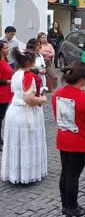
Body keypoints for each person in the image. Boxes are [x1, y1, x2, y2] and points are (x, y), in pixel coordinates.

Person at [52, 61, 85, 217]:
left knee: (65, 174)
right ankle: (72, 207)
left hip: (64, 138)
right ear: (82, 79)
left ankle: (65, 205)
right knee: (73, 176)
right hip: (80, 142)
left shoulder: (57, 93)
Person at [1, 48, 48, 184]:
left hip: (14, 111)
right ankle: (26, 175)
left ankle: (16, 173)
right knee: (27, 141)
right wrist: (42, 99)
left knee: (17, 142)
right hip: (25, 111)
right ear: (30, 61)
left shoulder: (16, 74)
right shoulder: (29, 77)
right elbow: (29, 99)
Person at [0, 41, 13, 150]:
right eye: (5, 48)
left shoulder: (6, 60)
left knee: (1, 117)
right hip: (1, 94)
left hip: (6, 94)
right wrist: (10, 81)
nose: (8, 49)